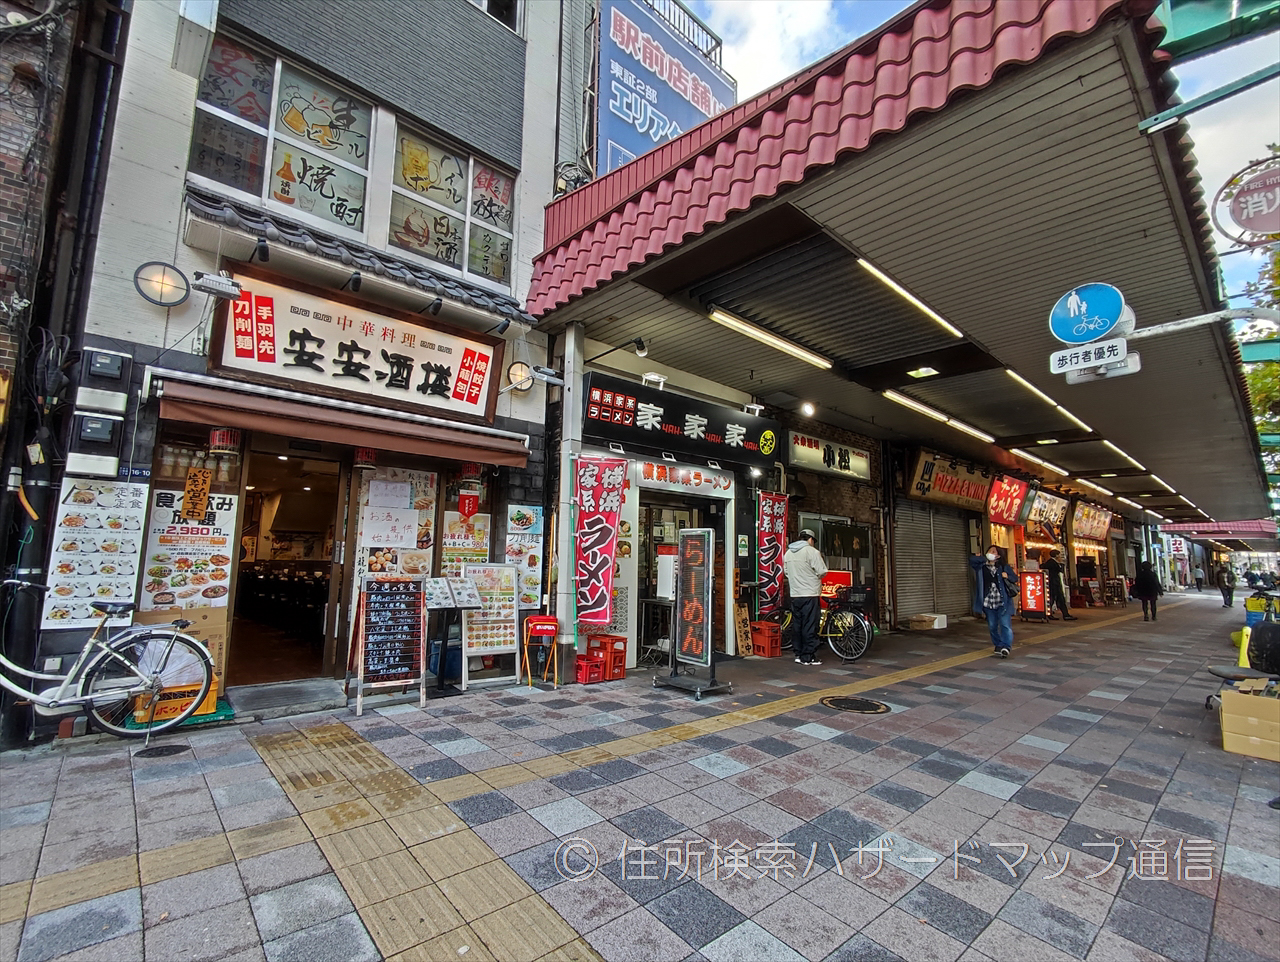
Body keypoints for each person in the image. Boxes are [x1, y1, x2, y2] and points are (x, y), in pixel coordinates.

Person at [784, 528, 828, 666]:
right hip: (810, 593)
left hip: (795, 594)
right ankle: (808, 656)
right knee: (810, 625)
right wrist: (813, 577)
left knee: (798, 624)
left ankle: (798, 653)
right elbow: (822, 571)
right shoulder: (812, 552)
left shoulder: (788, 553)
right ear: (810, 539)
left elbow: (786, 572)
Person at [970, 545, 1018, 658]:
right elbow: (971, 560)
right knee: (992, 626)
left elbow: (1015, 578)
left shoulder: (1003, 567)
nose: (990, 553)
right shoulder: (981, 567)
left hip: (1003, 600)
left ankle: (1006, 646)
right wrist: (983, 558)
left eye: (993, 552)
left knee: (1005, 625)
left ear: (998, 555)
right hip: (988, 601)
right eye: (989, 551)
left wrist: (1007, 577)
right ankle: (998, 645)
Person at [1042, 549, 1077, 621]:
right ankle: (1063, 615)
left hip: (1055, 583)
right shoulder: (1052, 562)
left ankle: (1052, 614)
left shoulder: (1053, 562)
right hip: (1054, 584)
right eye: (1059, 554)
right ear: (1056, 555)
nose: (1060, 556)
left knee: (1055, 600)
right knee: (1056, 599)